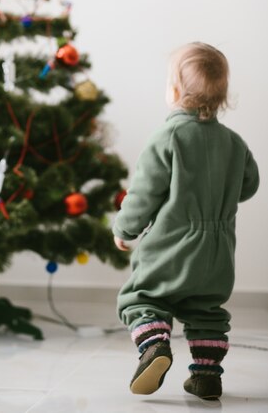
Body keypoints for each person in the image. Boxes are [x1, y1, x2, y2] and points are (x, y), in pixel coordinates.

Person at [113, 42, 259, 401]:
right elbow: (250, 184)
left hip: (172, 245)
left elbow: (144, 193)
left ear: (176, 91)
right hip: (218, 252)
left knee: (141, 296)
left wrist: (124, 229)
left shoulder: (169, 136)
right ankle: (206, 376)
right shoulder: (234, 143)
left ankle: (155, 346)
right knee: (206, 310)